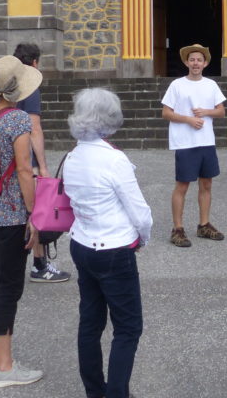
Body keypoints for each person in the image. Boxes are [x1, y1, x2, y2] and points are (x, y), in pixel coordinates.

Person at [63, 88, 153, 398]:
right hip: (114, 248)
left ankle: (94, 390)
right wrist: (143, 237)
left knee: (90, 322)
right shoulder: (114, 159)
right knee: (127, 328)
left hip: (82, 243)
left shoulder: (72, 156)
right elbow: (139, 212)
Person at [0, 55, 44, 388]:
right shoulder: (17, 121)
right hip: (13, 215)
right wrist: (34, 215)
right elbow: (25, 170)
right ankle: (4, 366)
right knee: (9, 288)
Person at [12, 42, 71, 284]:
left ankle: (16, 263)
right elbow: (34, 127)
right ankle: (39, 265)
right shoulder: (31, 85)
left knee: (15, 212)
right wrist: (43, 167)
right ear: (35, 62)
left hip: (7, 157)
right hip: (27, 158)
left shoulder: (8, 84)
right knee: (36, 210)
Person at [161, 43, 227, 247]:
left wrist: (206, 112)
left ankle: (204, 224)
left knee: (206, 183)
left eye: (199, 59)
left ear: (205, 63)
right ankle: (177, 228)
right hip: (185, 142)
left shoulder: (211, 85)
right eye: (192, 59)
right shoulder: (177, 85)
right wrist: (189, 120)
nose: (195, 63)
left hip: (206, 141)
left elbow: (221, 111)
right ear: (187, 63)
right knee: (182, 185)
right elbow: (166, 113)